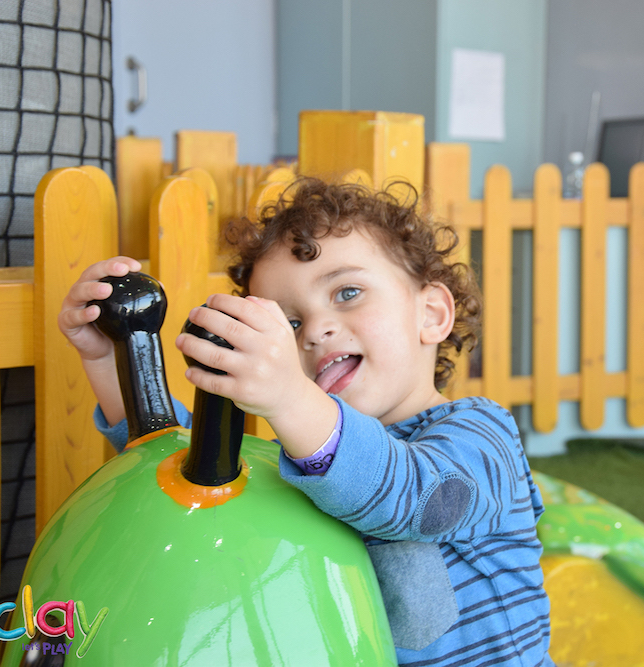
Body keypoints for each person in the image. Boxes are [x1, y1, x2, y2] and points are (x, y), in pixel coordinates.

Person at [58, 178, 554, 665]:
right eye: (289, 324)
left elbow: (425, 502)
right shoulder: (301, 460)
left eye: (348, 292)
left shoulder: (480, 433)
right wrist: (112, 358)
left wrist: (292, 399)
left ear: (431, 314)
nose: (316, 330)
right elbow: (186, 466)